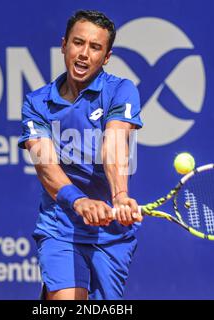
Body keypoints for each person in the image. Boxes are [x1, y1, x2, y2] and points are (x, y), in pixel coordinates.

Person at [18, 9, 143, 300]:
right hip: (61, 226)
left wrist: (120, 196)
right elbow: (45, 165)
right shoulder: (37, 103)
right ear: (64, 45)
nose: (84, 54)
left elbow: (114, 142)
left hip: (111, 234)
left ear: (107, 56)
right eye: (78, 43)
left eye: (95, 47)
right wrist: (80, 202)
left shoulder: (121, 90)